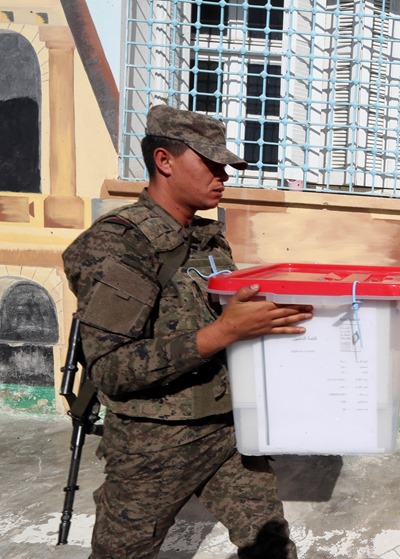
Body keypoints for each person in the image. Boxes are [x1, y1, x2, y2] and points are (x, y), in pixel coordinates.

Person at [63, 104, 313, 559]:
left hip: (227, 432)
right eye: (212, 163)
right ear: (165, 161)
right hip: (153, 447)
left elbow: (226, 322)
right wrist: (223, 332)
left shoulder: (208, 238)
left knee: (271, 546)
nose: (224, 175)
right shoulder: (121, 244)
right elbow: (113, 370)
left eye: (226, 165)